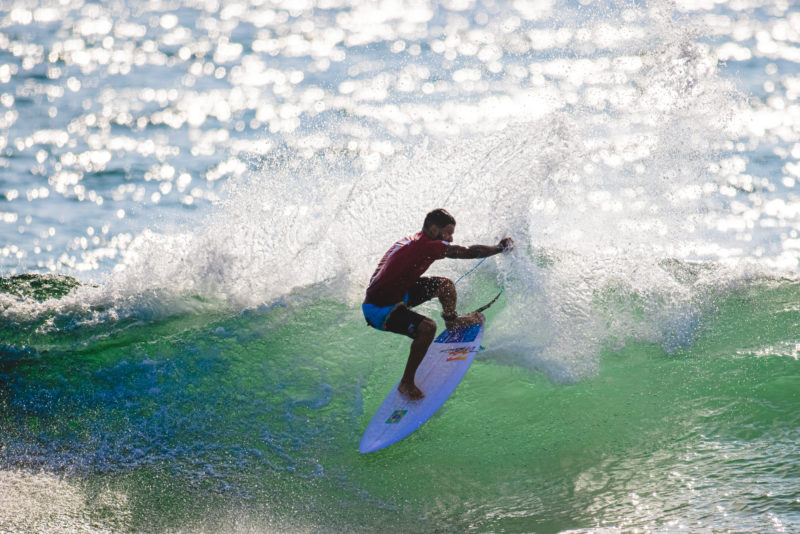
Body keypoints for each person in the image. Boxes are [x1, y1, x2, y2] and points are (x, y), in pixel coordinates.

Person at [362, 208, 513, 400]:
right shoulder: (426, 246)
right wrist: (500, 249)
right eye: (448, 233)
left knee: (445, 286)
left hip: (399, 292)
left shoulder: (415, 240)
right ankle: (406, 383)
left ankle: (452, 321)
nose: (450, 239)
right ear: (434, 229)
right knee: (427, 328)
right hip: (379, 308)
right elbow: (468, 252)